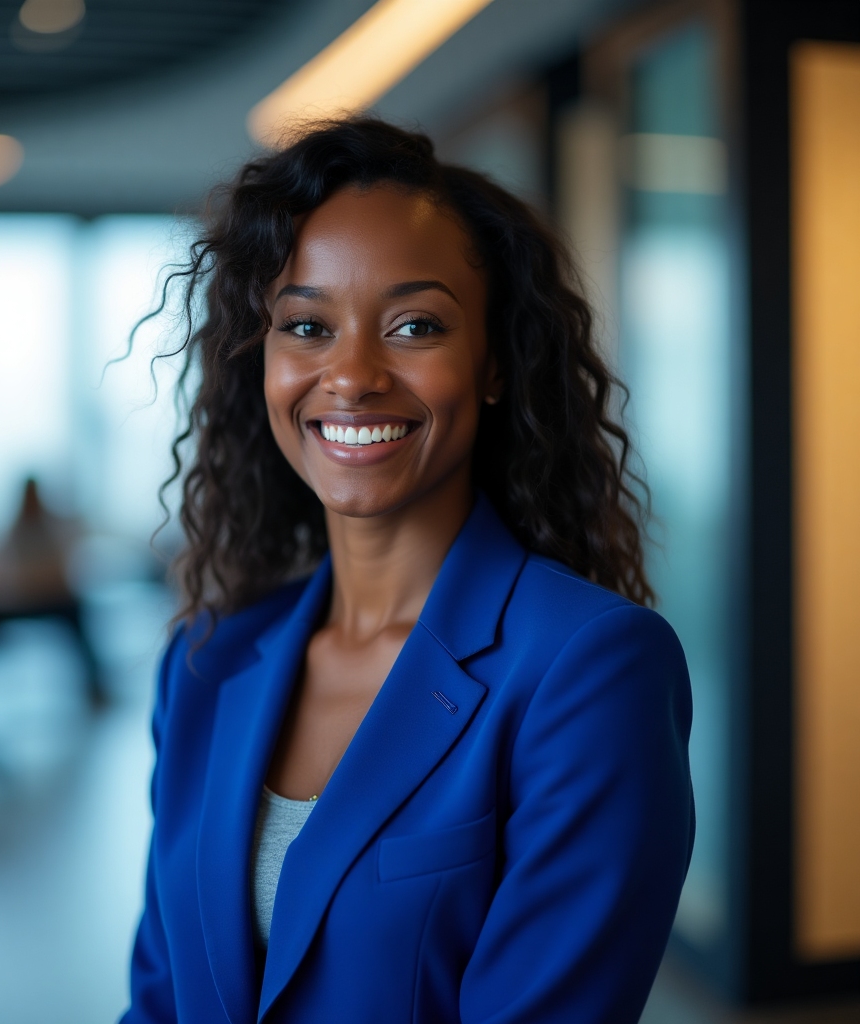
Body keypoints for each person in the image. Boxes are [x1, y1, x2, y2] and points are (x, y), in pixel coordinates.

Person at [121, 118, 694, 1024]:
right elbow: (159, 1001)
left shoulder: (591, 670)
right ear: (261, 359)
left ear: (495, 362)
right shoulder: (203, 663)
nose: (351, 375)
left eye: (415, 325)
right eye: (306, 325)